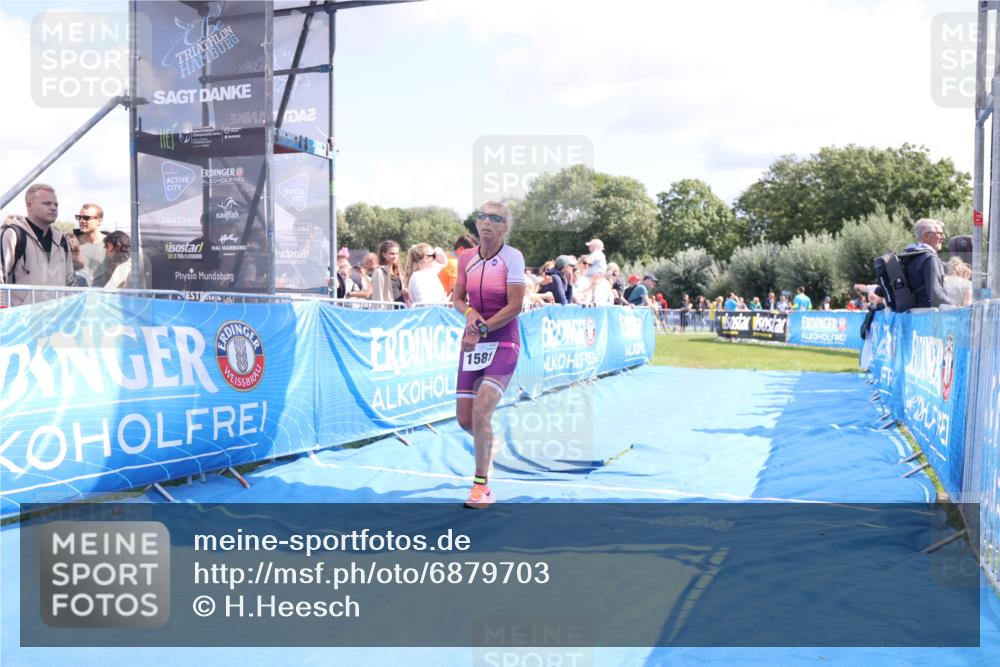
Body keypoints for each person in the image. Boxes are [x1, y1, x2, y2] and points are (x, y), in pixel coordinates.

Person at [452, 201, 526, 509]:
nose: (486, 222)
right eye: (482, 216)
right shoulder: (466, 258)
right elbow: (457, 299)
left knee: (482, 411)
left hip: (504, 341)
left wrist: (482, 328)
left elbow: (515, 306)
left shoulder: (513, 257)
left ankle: (481, 486)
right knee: (465, 419)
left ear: (504, 227)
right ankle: (488, 442)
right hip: (474, 341)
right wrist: (470, 314)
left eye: (495, 218)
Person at [0, 183, 74, 306]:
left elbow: (70, 283)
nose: (53, 208)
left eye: (56, 204)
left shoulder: (62, 240)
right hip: (21, 316)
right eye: (47, 203)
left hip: (57, 315)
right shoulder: (13, 234)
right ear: (29, 205)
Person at [898, 218, 954, 308]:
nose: (943, 237)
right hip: (927, 314)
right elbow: (935, 294)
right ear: (926, 236)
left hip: (910, 313)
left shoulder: (908, 256)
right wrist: (954, 306)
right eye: (939, 233)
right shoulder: (929, 258)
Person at [74, 202, 107, 283]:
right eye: (79, 217)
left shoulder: (112, 245)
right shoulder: (71, 244)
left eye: (86, 218)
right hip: (77, 290)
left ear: (99, 221)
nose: (81, 221)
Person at [369, 240, 406, 306]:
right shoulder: (379, 272)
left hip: (401, 308)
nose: (395, 256)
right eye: (392, 254)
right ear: (383, 254)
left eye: (397, 253)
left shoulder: (398, 271)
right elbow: (378, 295)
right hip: (388, 309)